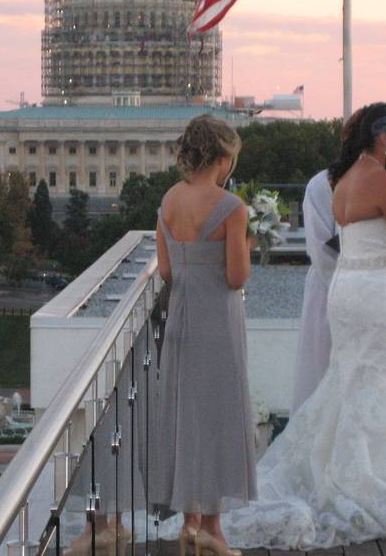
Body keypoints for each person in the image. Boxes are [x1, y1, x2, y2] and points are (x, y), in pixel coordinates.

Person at [221, 102, 386, 549]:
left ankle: (351, 469)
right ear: (382, 138)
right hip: (381, 296)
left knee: (353, 379)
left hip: (348, 291)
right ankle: (374, 480)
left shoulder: (342, 182)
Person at [153, 114, 256, 556]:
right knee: (219, 416)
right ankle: (212, 526)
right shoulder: (231, 207)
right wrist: (248, 245)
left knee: (187, 417)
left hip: (181, 317)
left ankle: (190, 521)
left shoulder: (169, 200)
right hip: (218, 319)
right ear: (222, 156)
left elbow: (166, 270)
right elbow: (236, 277)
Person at [291, 108, 365, 413]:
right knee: (324, 371)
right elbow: (321, 250)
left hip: (370, 294)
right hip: (331, 291)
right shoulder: (321, 185)